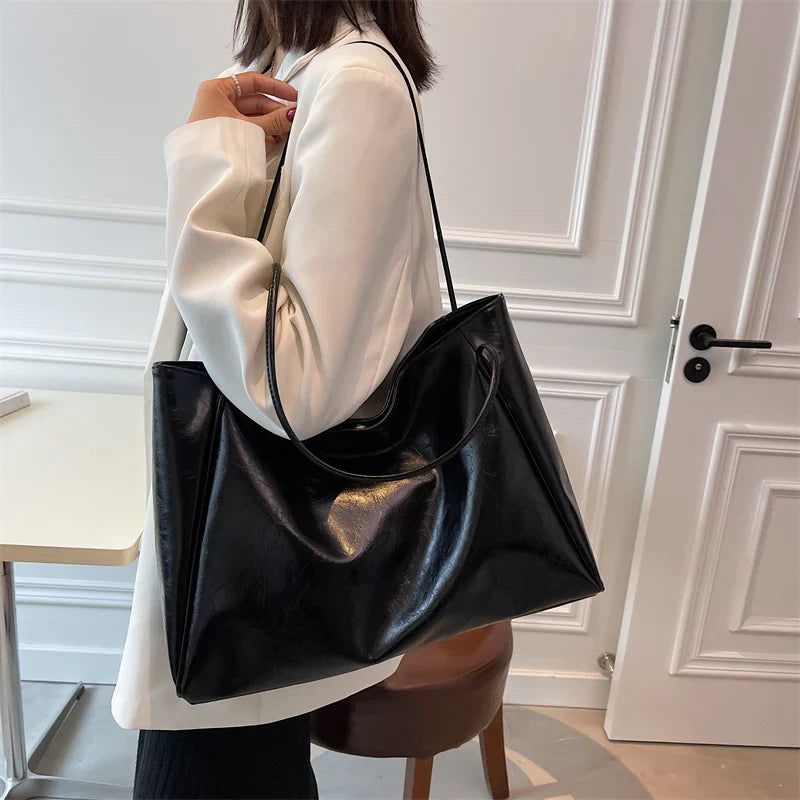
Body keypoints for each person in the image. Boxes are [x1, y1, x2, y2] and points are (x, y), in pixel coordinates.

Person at [110, 1, 444, 797]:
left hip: (255, 552)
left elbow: (297, 387)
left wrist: (209, 161)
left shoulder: (357, 83)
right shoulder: (306, 71)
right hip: (245, 541)